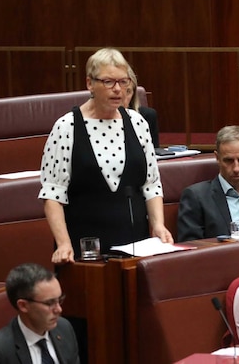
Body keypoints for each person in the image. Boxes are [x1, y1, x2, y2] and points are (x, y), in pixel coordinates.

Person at [39, 48, 172, 263]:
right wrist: (63, 243)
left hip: (134, 242)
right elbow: (53, 194)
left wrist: (158, 225)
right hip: (84, 244)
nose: (118, 89)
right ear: (90, 84)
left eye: (124, 81)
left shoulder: (137, 123)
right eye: (109, 82)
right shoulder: (66, 127)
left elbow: (151, 184)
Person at [177, 125, 239, 242]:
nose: (236, 168)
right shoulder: (195, 197)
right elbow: (190, 246)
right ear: (217, 158)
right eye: (229, 161)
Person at [0, 263, 80, 363]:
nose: (59, 309)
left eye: (59, 300)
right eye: (49, 303)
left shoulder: (64, 328)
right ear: (23, 306)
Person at [124, 66, 161, 148]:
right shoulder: (91, 119)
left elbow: (155, 153)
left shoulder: (146, 116)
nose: (121, 96)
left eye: (128, 91)